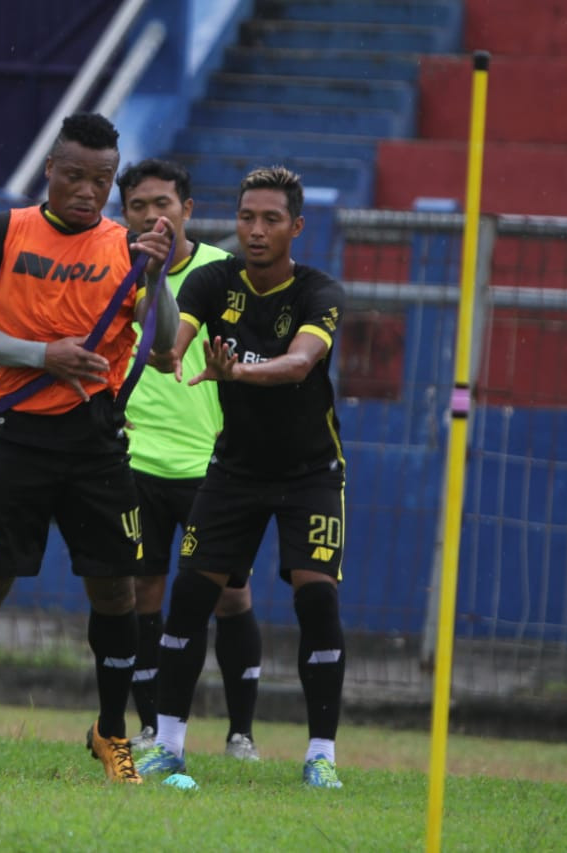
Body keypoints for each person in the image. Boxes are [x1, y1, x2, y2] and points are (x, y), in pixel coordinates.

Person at [0, 112, 177, 783]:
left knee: (116, 592)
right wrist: (41, 355)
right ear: (49, 171)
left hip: (99, 446)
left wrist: (160, 274)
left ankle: (110, 732)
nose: (88, 190)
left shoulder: (126, 246)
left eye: (102, 179)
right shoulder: (3, 231)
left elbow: (166, 342)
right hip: (20, 438)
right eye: (75, 175)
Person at [135, 165, 348, 788]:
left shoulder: (319, 292)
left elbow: (300, 364)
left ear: (296, 228)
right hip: (233, 471)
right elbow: (168, 350)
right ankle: (170, 747)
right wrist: (155, 291)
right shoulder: (210, 281)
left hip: (311, 473)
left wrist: (238, 374)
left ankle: (320, 758)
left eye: (271, 220)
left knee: (317, 597)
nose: (255, 231)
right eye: (247, 217)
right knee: (192, 595)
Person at [115, 159, 263, 762]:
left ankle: (241, 734)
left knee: (230, 596)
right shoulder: (111, 271)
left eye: (164, 204)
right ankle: (151, 727)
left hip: (212, 468)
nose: (153, 216)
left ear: (189, 211)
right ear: (122, 214)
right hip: (135, 461)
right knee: (142, 590)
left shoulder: (225, 275)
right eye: (138, 206)